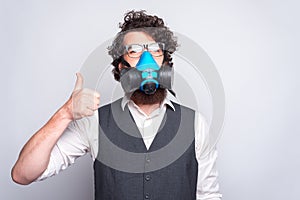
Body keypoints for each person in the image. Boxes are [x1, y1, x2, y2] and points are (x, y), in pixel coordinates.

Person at [11, 10, 222, 200]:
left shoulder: (195, 124)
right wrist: (65, 114)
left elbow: (208, 196)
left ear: (166, 63)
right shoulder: (94, 121)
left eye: (156, 50)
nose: (146, 60)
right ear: (122, 67)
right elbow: (23, 174)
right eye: (134, 52)